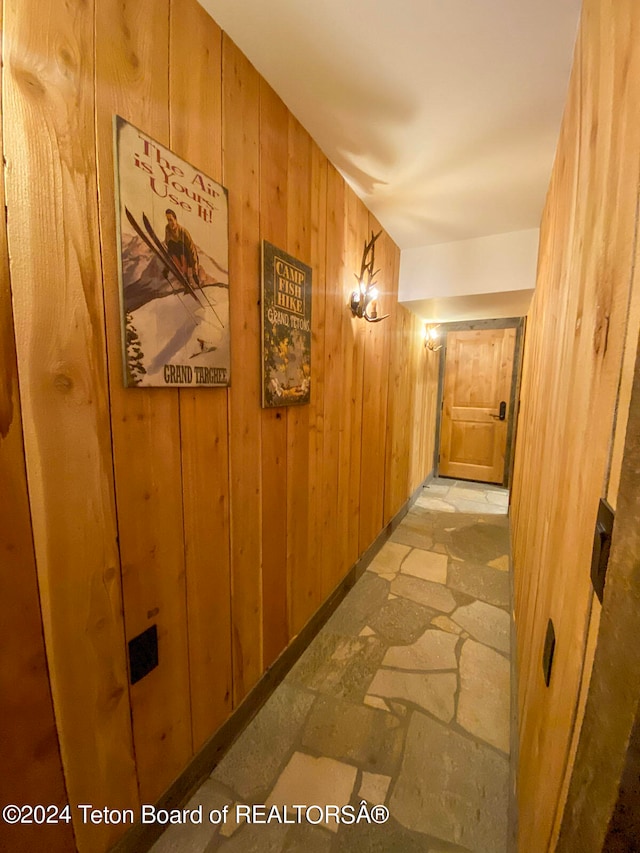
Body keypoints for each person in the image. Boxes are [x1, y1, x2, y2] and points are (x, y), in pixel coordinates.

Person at [164, 209, 200, 286]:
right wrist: (166, 268)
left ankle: (186, 275)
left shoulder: (183, 232)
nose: (170, 223)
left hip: (188, 256)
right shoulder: (167, 229)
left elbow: (192, 251)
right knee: (171, 245)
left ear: (175, 219)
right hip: (176, 256)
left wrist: (195, 273)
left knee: (180, 245)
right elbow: (168, 247)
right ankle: (183, 275)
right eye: (168, 220)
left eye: (171, 220)